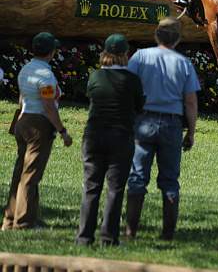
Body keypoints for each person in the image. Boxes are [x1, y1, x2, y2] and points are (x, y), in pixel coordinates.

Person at [125, 17, 200, 241]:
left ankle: (130, 231)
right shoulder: (184, 63)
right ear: (177, 39)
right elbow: (190, 101)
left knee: (137, 176)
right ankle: (168, 233)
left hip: (143, 121)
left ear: (156, 35)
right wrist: (191, 132)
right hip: (171, 124)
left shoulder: (139, 57)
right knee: (169, 180)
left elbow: (128, 89)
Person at [75, 34, 144, 246]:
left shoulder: (95, 76)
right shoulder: (132, 79)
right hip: (120, 136)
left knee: (91, 187)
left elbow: (91, 96)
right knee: (115, 188)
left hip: (94, 135)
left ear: (105, 53)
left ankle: (84, 237)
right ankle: (108, 237)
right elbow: (139, 105)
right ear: (125, 55)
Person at [2, 32, 73, 231]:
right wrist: (63, 131)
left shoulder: (26, 69)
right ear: (51, 52)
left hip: (23, 121)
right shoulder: (45, 74)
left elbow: (21, 99)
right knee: (31, 175)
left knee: (19, 173)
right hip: (38, 125)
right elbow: (49, 106)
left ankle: (10, 219)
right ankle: (23, 223)